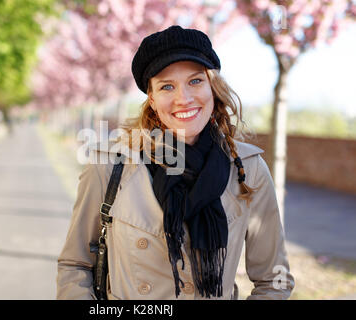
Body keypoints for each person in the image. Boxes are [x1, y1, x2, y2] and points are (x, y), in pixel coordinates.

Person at [57, 25, 294, 300]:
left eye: (195, 81)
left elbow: (274, 280)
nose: (184, 98)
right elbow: (75, 266)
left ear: (213, 87)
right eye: (167, 86)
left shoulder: (247, 169)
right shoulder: (110, 166)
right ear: (153, 100)